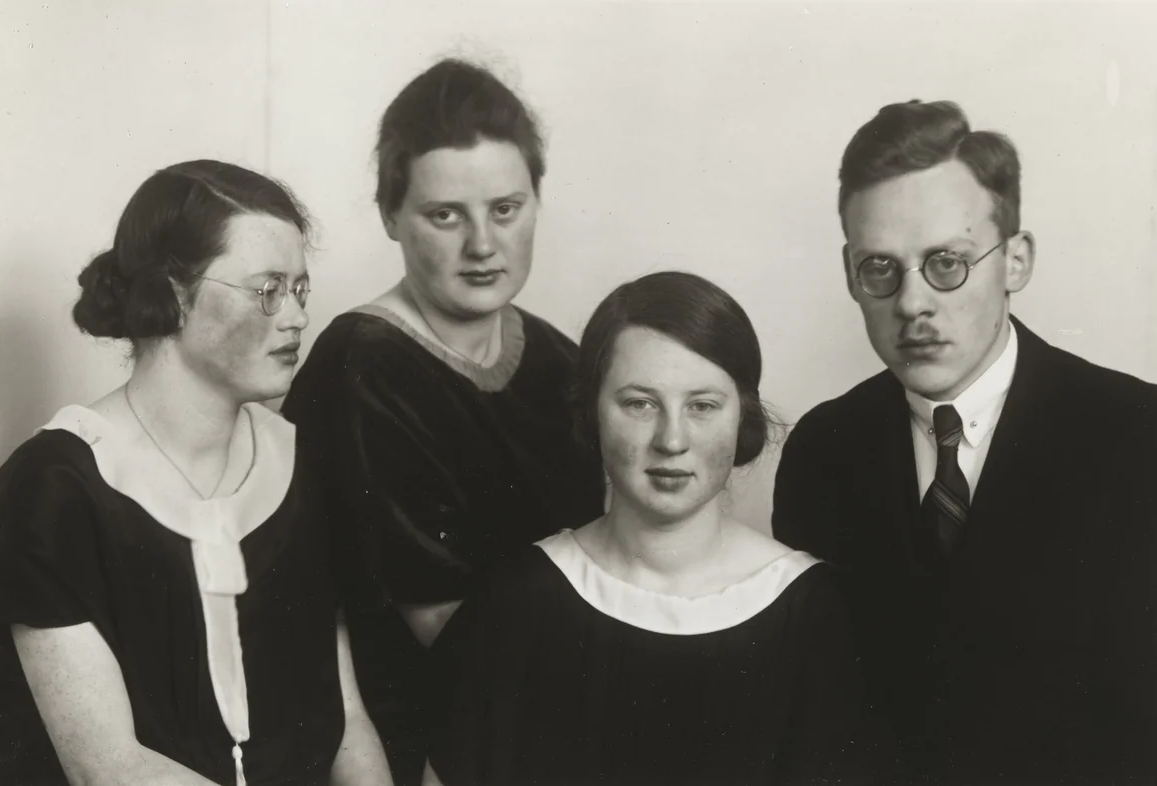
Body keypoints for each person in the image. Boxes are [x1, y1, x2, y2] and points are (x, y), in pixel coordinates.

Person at [0, 160, 391, 785]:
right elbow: (107, 770)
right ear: (173, 294)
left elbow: (345, 720)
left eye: (299, 290)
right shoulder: (55, 487)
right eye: (268, 289)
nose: (295, 317)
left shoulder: (304, 465)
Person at [773, 100, 1157, 784]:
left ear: (1015, 260)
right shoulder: (823, 452)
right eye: (880, 269)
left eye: (946, 263)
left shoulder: (1137, 437)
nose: (913, 304)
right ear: (850, 274)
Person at [423, 271, 894, 786]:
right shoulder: (514, 602)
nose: (672, 440)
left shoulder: (817, 613)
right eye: (640, 403)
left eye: (702, 406)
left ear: (743, 419)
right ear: (592, 414)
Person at [281, 59, 605, 783]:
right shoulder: (361, 366)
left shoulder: (560, 359)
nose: (483, 245)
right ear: (391, 215)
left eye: (506, 208)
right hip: (413, 739)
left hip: (551, 699)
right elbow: (448, 631)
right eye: (445, 215)